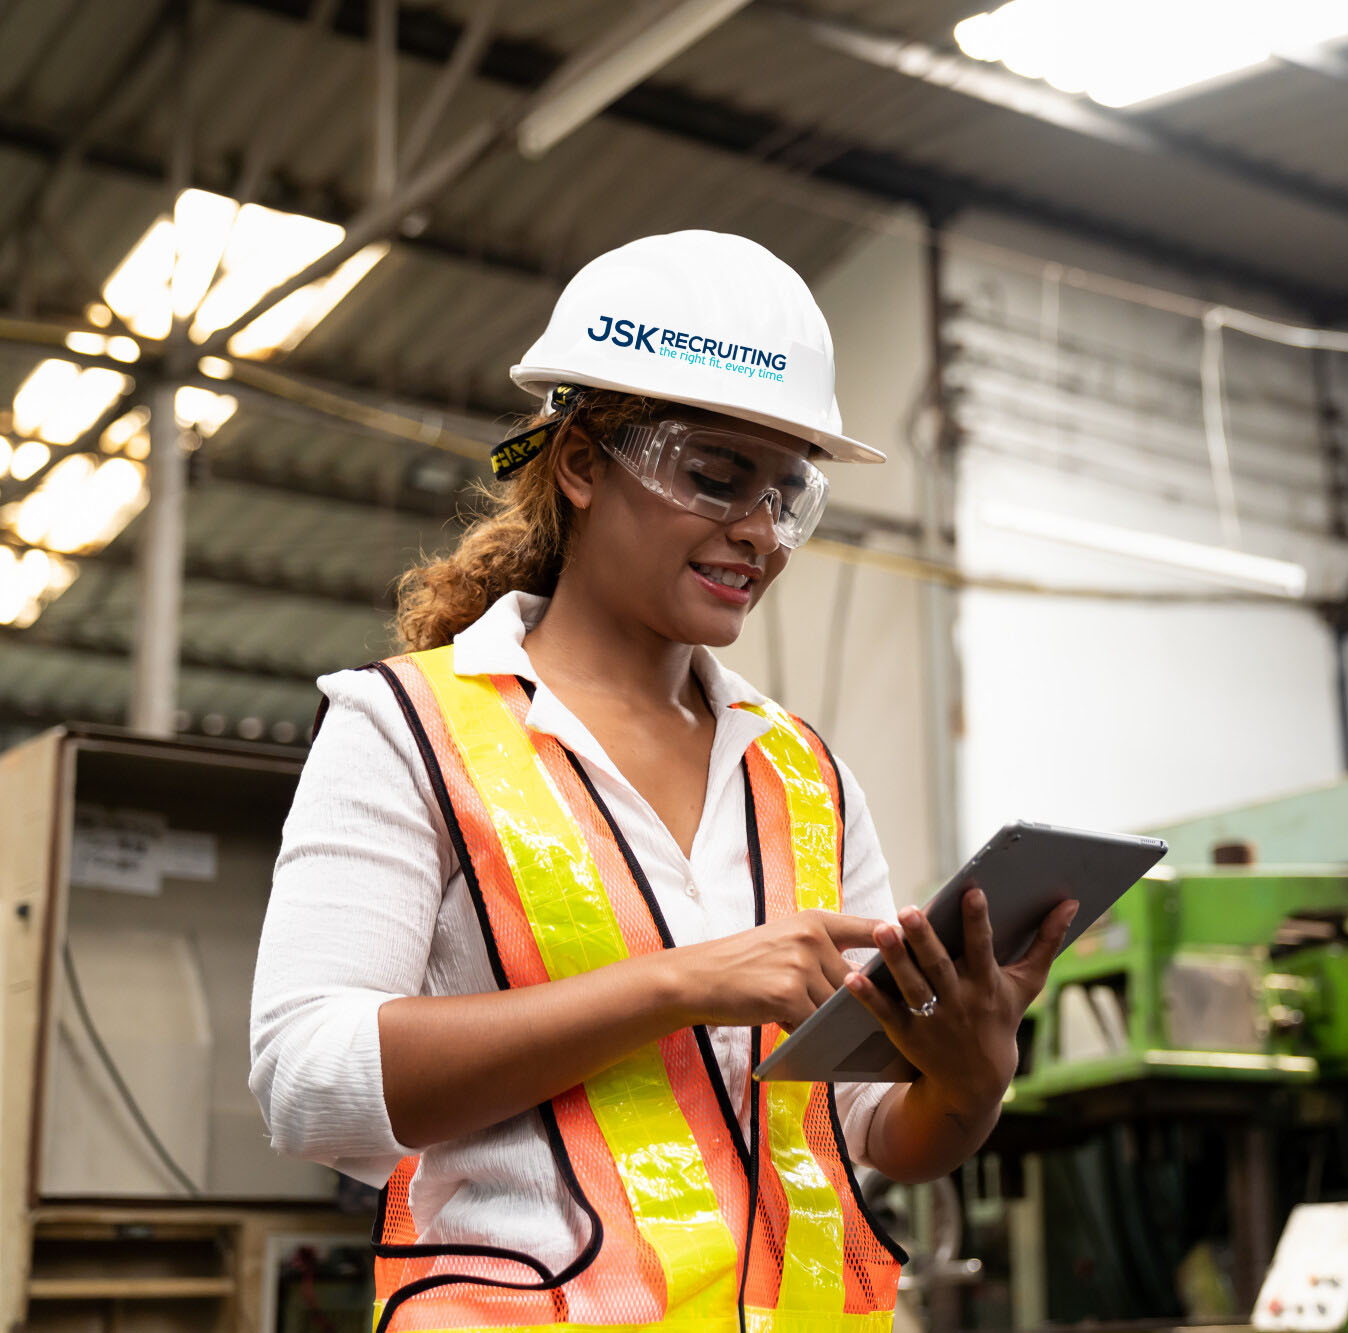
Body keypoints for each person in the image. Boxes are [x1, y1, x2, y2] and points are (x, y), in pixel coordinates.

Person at [250, 231, 1077, 1333]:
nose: (757, 534)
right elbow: (307, 1081)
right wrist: (679, 982)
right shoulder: (407, 726)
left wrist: (968, 1076)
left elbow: (875, 1125)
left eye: (787, 494)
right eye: (713, 477)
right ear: (583, 463)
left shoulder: (804, 774)